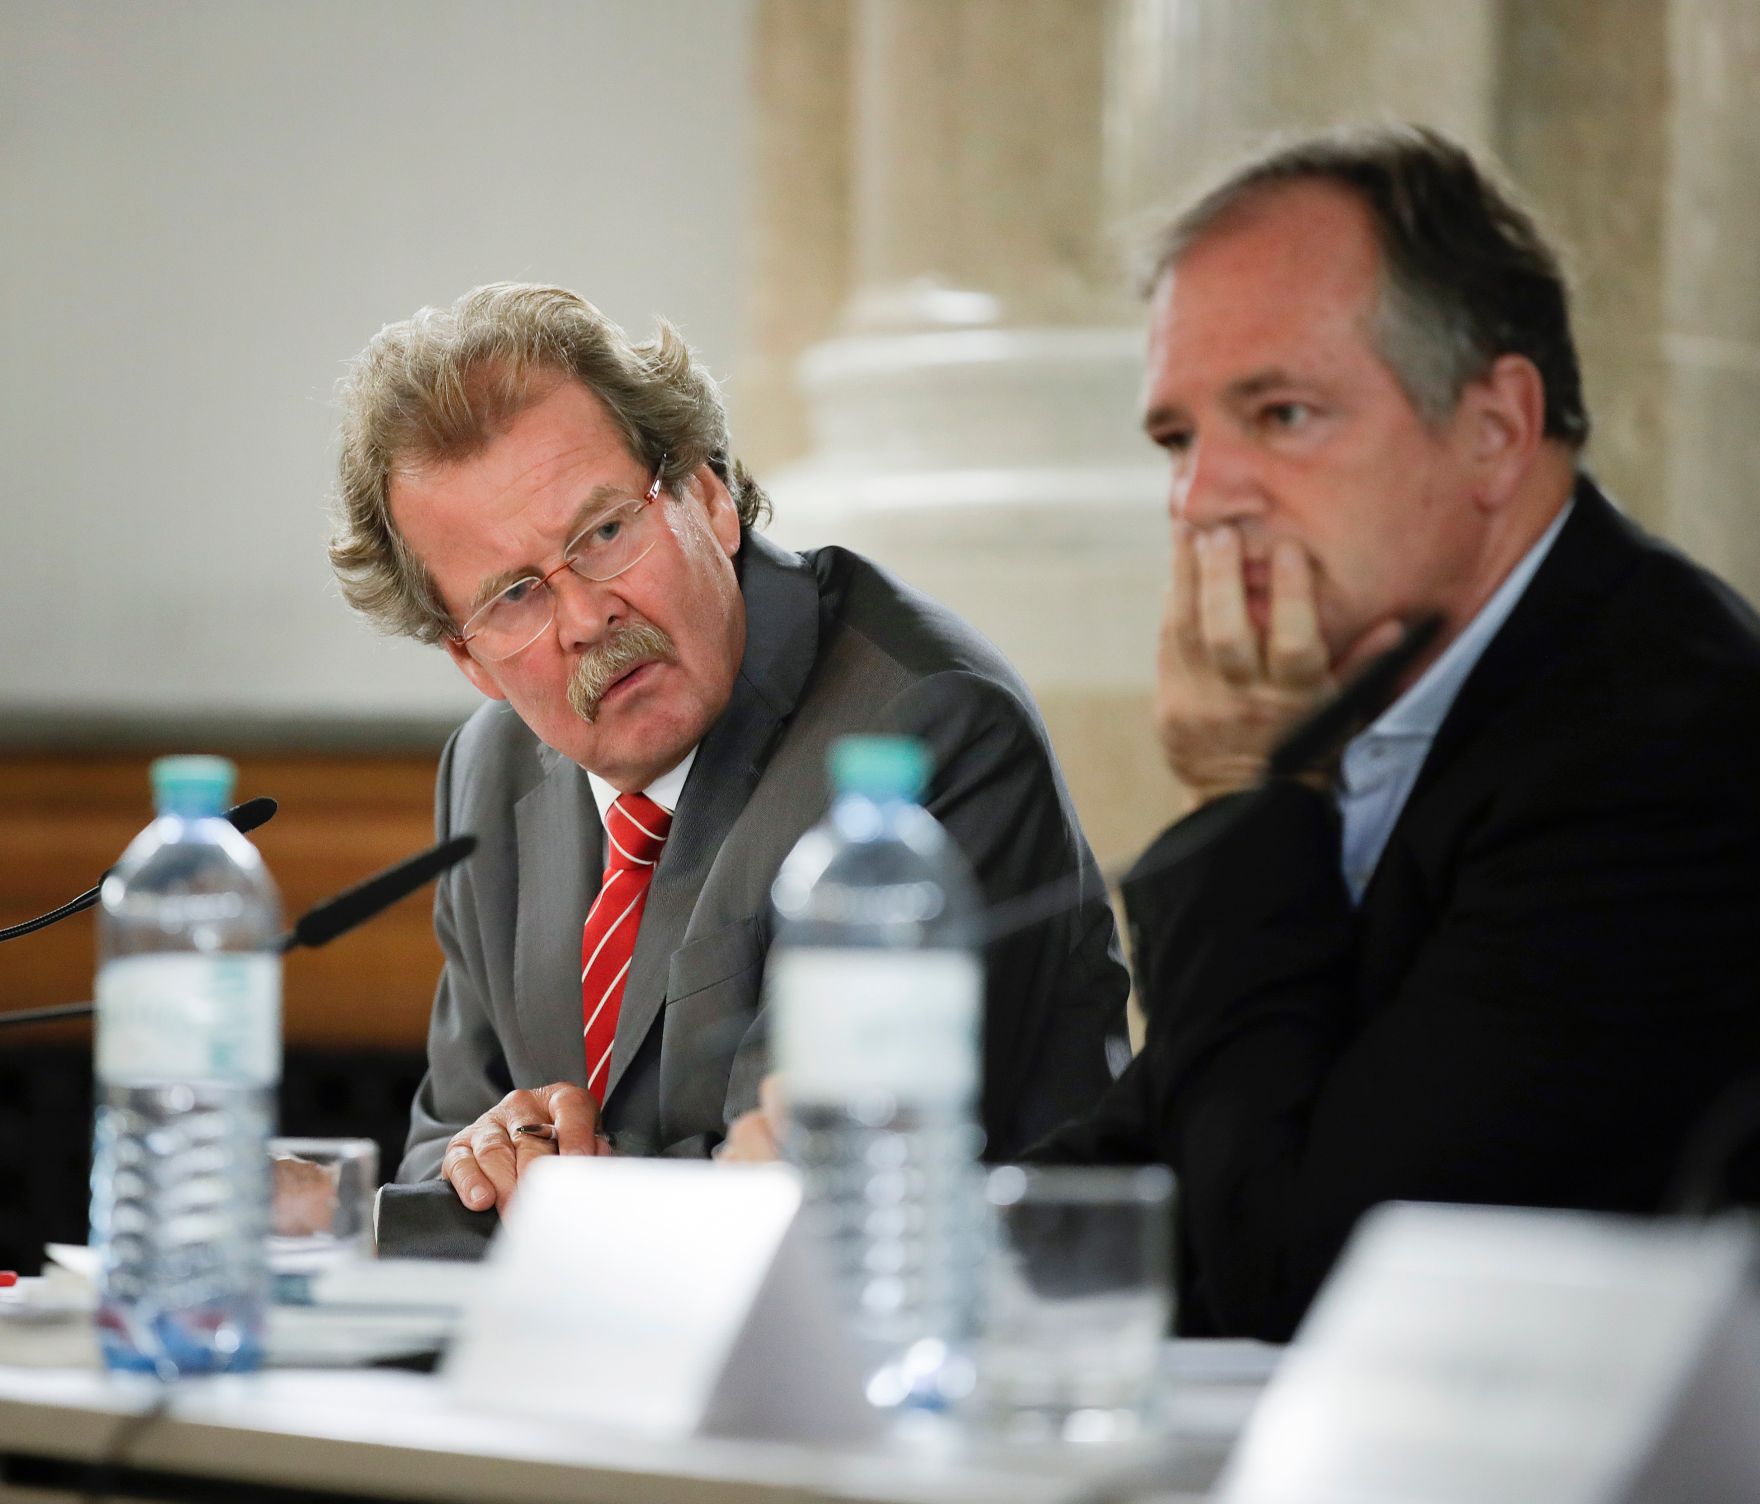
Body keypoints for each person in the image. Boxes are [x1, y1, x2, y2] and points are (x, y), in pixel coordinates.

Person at [724, 124, 1760, 1343]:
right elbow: (1173, 1161)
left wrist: (1234, 799)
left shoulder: (1655, 737)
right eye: (1178, 438)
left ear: (1493, 427)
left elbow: (1303, 1278)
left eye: (1280, 414)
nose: (1199, 497)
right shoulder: (1387, 693)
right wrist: (882, 1226)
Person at [327, 283, 1129, 1230]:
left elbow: (812, 1190)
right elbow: (443, 1157)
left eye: (605, 533)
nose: (586, 617)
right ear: (469, 660)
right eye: (513, 597)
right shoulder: (488, 771)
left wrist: (552, 1195)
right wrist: (491, 1159)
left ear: (707, 499)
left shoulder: (927, 734)